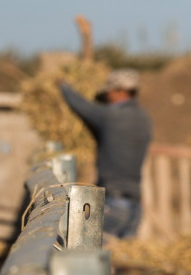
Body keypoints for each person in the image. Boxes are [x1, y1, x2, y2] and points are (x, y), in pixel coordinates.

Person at [57, 68, 152, 239]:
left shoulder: (112, 116)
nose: (107, 96)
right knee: (121, 260)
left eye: (109, 91)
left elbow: (82, 107)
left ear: (121, 91)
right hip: (135, 206)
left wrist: (63, 87)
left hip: (114, 203)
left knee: (87, 250)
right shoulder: (143, 117)